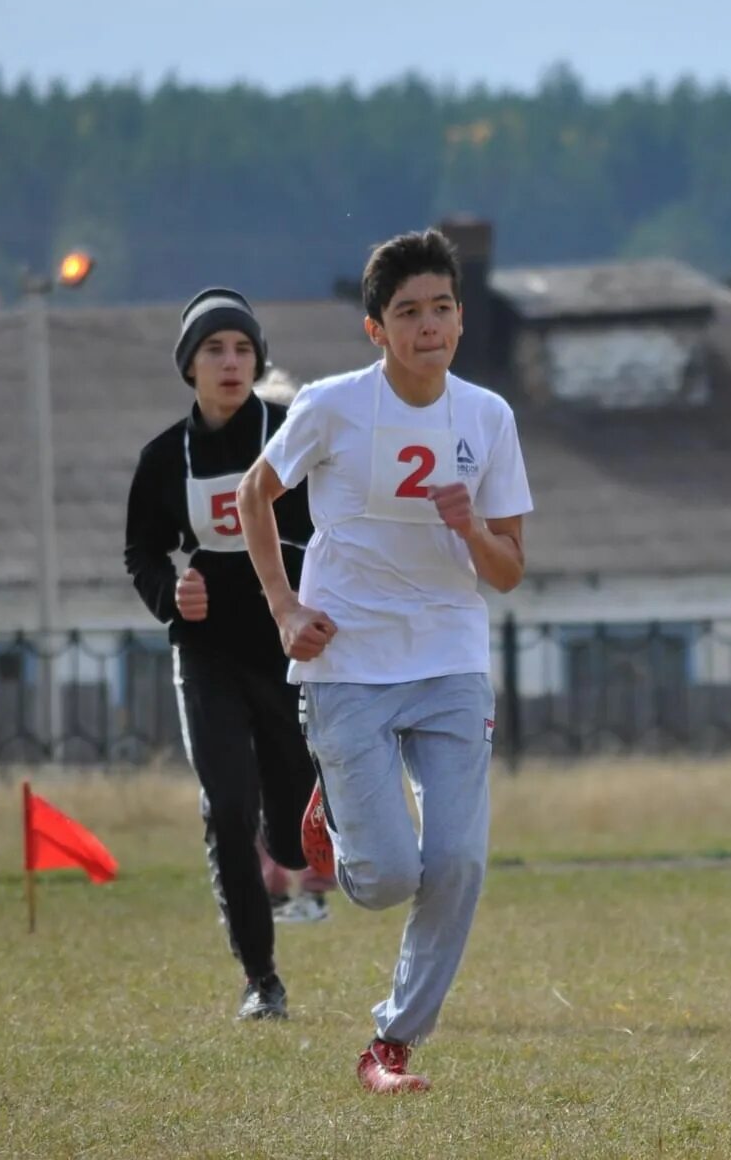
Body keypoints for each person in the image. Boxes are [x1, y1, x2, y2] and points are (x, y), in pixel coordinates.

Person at [236, 227, 532, 1095]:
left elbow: (509, 570)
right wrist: (284, 606)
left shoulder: (488, 417)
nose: (428, 325)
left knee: (461, 861)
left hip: (449, 658)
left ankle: (390, 1046)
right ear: (378, 329)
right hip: (349, 662)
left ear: (461, 318)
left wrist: (468, 526)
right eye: (408, 312)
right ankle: (332, 813)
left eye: (441, 307)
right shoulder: (331, 406)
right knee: (385, 880)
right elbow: (255, 493)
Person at [124, 288, 318, 1020]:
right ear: (190, 368)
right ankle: (260, 979)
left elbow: (331, 527)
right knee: (226, 808)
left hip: (287, 650)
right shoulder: (161, 458)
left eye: (242, 349)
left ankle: (291, 833)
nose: (230, 363)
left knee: (294, 840)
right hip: (207, 656)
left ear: (258, 361)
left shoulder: (294, 438)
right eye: (214, 350)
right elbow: (140, 549)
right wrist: (172, 594)